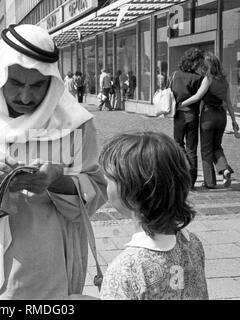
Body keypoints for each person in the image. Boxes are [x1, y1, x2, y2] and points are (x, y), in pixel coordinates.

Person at [0, 24, 107, 300]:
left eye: (38, 85)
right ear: (0, 74)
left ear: (53, 82)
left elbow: (97, 189)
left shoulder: (75, 123)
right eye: (15, 84)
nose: (26, 97)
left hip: (53, 271)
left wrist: (58, 180)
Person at [98, 131, 208, 300]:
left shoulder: (125, 269)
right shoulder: (192, 243)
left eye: (109, 180)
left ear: (131, 192)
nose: (105, 184)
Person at [179, 53, 239, 189]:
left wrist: (181, 104)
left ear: (207, 66)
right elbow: (229, 103)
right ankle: (225, 169)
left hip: (209, 116)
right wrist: (234, 122)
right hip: (222, 117)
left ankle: (210, 182)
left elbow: (197, 97)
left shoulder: (208, 79)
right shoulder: (225, 81)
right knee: (217, 146)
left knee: (206, 150)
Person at [171, 48, 205, 189]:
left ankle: (182, 175)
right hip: (193, 115)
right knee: (192, 148)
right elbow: (200, 97)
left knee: (178, 144)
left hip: (179, 114)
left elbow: (171, 91)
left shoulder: (175, 74)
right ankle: (191, 181)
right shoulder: (199, 78)